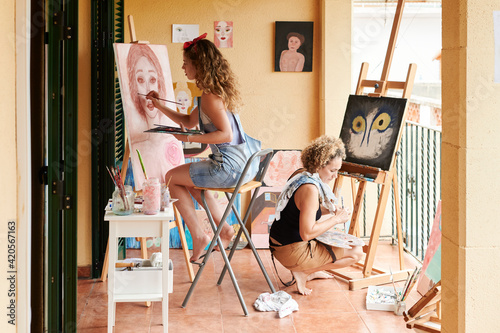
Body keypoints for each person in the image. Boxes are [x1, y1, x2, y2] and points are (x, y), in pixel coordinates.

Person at [147, 33, 261, 262]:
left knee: (170, 177)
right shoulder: (213, 93)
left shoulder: (209, 97)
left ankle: (199, 236)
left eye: (186, 63)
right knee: (191, 183)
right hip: (245, 165)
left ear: (198, 65)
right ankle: (226, 230)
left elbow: (225, 134)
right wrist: (159, 106)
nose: (183, 67)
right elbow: (189, 122)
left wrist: (189, 140)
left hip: (230, 169)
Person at [269, 135, 364, 296]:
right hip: (290, 251)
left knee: (344, 242)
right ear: (319, 165)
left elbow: (302, 210)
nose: (335, 176)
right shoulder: (310, 189)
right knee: (357, 252)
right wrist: (337, 219)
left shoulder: (302, 174)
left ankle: (306, 270)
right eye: (333, 170)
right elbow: (307, 233)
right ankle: (304, 272)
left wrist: (330, 210)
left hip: (278, 242)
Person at [124, 44, 184, 187]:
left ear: (160, 83)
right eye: (140, 80)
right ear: (133, 87)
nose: (148, 90)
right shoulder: (137, 144)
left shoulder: (171, 139)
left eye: (152, 80)